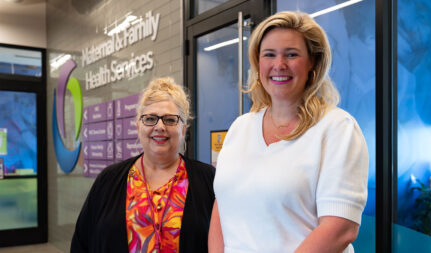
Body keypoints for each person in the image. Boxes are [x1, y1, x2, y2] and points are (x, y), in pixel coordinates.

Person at [209, 11, 368, 253]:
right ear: (258, 62)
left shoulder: (337, 129)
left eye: (291, 55)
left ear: (312, 62)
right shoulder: (240, 128)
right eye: (269, 55)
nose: (279, 65)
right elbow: (223, 204)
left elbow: (341, 227)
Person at [71, 77, 215, 253]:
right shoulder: (108, 180)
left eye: (170, 120)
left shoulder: (209, 181)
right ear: (138, 127)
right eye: (150, 118)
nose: (160, 126)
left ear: (183, 129)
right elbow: (81, 242)